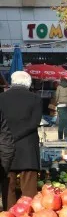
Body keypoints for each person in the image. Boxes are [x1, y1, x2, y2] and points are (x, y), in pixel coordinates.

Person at [0, 72, 41, 210]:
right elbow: (35, 122)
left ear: (12, 82)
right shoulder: (35, 99)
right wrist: (17, 135)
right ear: (28, 83)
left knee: (8, 186)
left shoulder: (1, 98)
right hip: (28, 147)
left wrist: (9, 137)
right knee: (29, 187)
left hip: (5, 146)